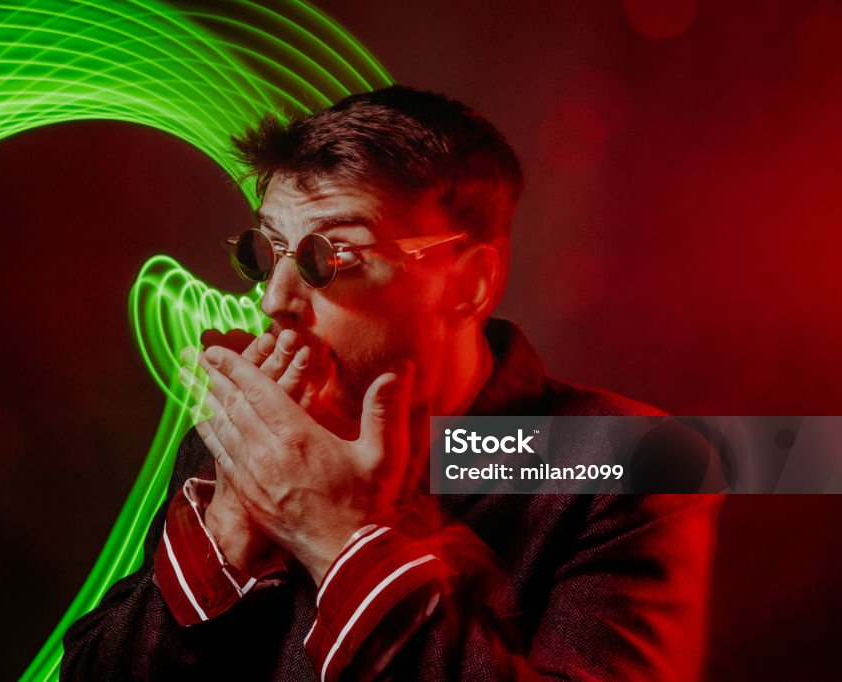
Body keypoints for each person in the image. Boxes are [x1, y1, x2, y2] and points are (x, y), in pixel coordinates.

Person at [61, 86, 721, 681]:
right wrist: (230, 524)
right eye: (263, 253)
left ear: (467, 286)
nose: (274, 301)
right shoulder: (254, 444)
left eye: (332, 256)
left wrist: (340, 537)